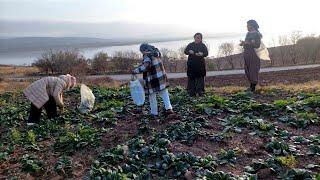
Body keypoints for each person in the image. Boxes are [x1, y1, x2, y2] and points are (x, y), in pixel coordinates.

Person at [132, 43, 174, 118]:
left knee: (152, 96)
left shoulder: (147, 55)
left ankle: (154, 113)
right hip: (161, 78)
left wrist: (135, 70)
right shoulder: (156, 52)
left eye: (141, 52)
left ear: (144, 50)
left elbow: (146, 66)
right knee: (164, 93)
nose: (142, 53)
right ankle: (169, 109)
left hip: (152, 79)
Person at [240, 19, 262, 92]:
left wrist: (247, 43)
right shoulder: (248, 33)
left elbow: (257, 45)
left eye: (248, 25)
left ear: (252, 26)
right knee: (247, 69)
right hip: (247, 53)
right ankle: (251, 86)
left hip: (253, 54)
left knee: (253, 69)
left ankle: (253, 87)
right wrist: (243, 44)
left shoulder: (256, 34)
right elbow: (247, 42)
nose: (247, 27)